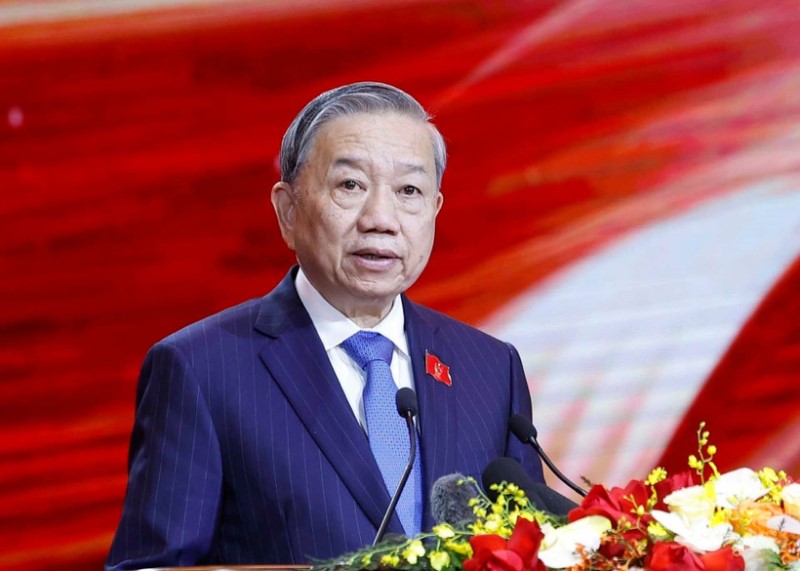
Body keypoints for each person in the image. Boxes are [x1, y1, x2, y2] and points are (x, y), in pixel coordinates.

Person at [106, 82, 544, 570]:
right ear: (288, 210)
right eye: (350, 185)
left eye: (409, 191)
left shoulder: (490, 368)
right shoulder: (201, 370)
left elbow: (528, 552)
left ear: (435, 210)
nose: (381, 219)